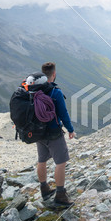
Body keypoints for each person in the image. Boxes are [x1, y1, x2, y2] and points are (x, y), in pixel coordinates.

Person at [37, 62, 76, 207]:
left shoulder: (35, 90)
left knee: (42, 160)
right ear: (54, 74)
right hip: (53, 133)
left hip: (38, 132)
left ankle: (44, 189)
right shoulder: (55, 92)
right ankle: (60, 195)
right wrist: (70, 129)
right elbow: (63, 114)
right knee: (60, 162)